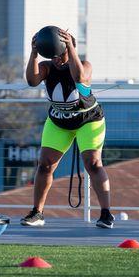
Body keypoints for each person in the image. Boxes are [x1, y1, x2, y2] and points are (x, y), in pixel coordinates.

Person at [22, 28, 114, 228]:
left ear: (69, 49)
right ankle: (37, 212)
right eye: (53, 55)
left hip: (88, 121)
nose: (56, 59)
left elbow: (80, 77)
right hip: (59, 122)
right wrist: (34, 53)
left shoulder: (85, 66)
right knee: (45, 165)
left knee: (93, 164)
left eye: (60, 53)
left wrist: (71, 49)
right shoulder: (47, 67)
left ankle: (106, 214)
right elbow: (31, 81)